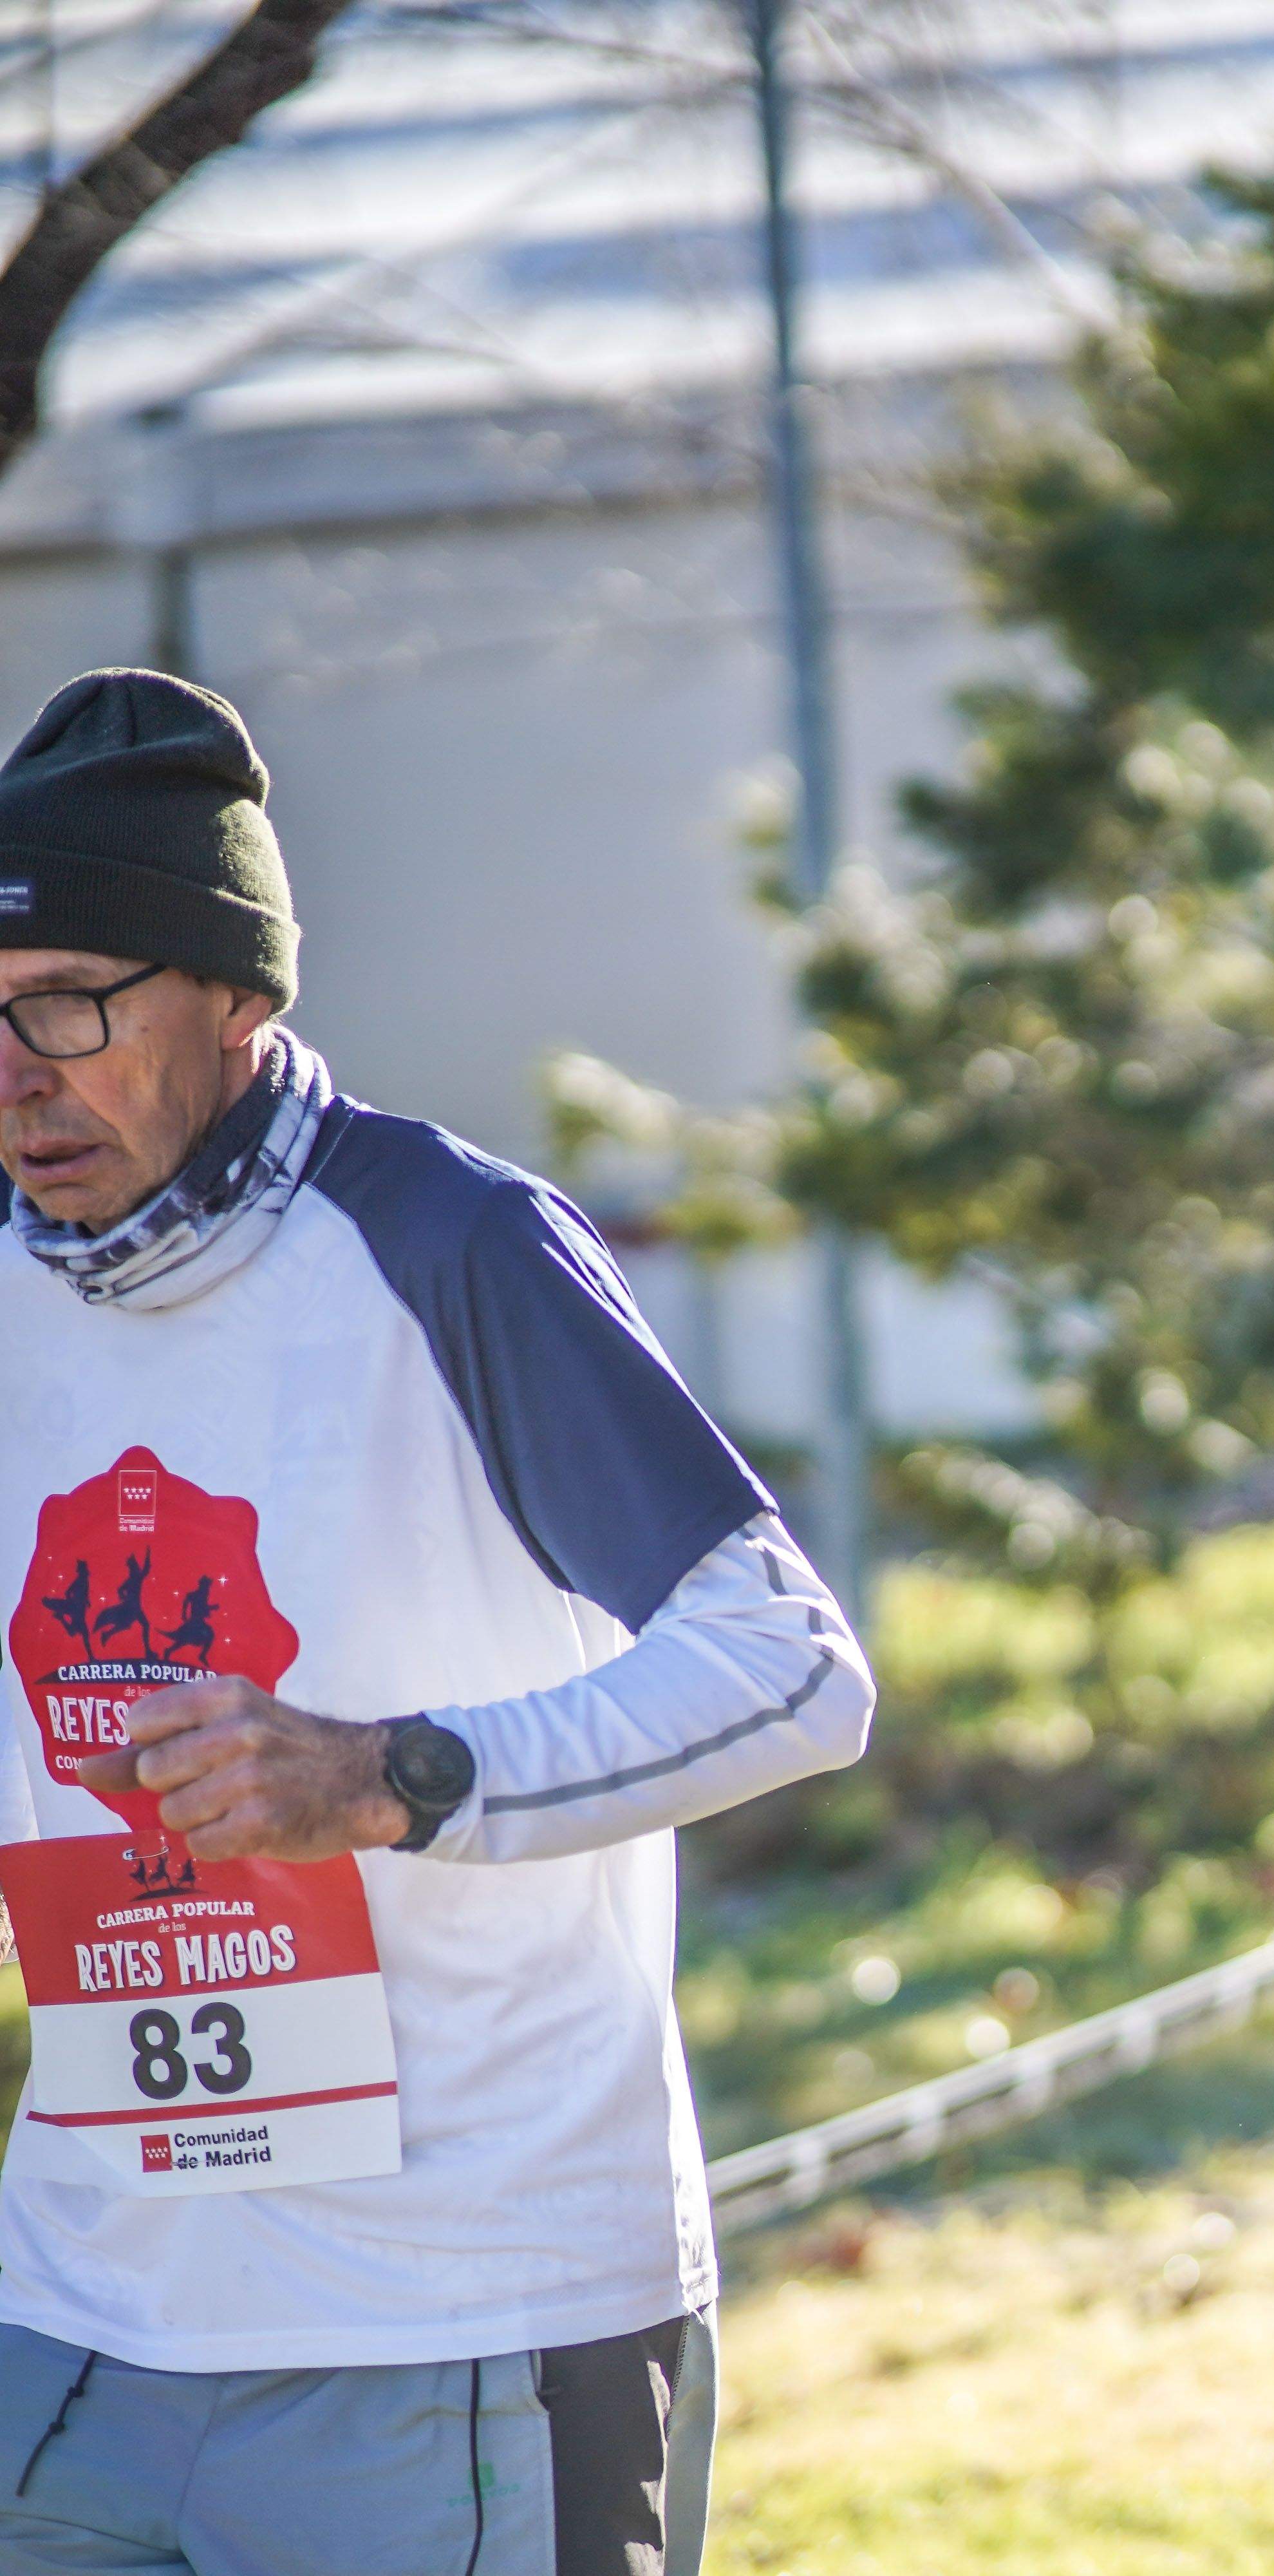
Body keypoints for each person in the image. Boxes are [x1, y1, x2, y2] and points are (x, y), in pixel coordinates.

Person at [0, 670, 877, 2573]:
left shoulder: (450, 1242)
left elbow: (796, 1673)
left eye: (70, 1001)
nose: (15, 1070)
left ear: (237, 1000)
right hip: (77, 2325)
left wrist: (391, 1778)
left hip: (462, 2323)